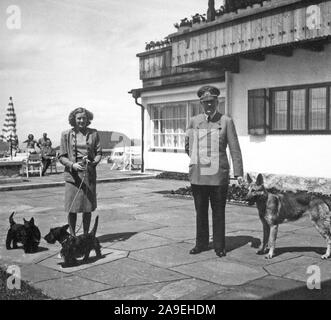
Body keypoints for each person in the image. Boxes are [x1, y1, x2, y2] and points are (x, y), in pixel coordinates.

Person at [185, 85, 243, 258]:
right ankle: (201, 244)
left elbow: (234, 149)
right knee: (200, 212)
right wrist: (198, 160)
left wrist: (238, 173)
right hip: (198, 176)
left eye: (211, 102)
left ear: (217, 102)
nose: (208, 105)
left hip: (218, 176)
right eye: (205, 102)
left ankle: (219, 245)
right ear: (201, 103)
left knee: (218, 212)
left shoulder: (226, 121)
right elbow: (187, 146)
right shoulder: (194, 121)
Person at [58, 107, 102, 236]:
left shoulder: (94, 133)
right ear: (74, 119)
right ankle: (72, 237)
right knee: (72, 208)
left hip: (88, 175)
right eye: (79, 118)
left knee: (87, 208)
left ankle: (86, 236)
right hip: (72, 176)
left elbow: (99, 153)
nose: (81, 120)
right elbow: (61, 156)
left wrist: (93, 162)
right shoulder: (65, 134)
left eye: (84, 118)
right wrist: (72, 165)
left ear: (88, 119)